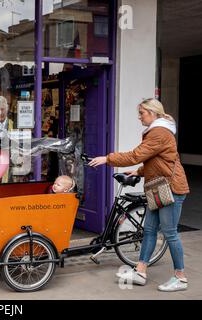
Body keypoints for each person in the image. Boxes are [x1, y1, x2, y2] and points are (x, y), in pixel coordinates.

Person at [88, 98, 190, 292]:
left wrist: (107, 158)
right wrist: (139, 172)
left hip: (171, 188)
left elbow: (136, 155)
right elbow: (159, 159)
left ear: (153, 113)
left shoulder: (159, 132)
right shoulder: (157, 131)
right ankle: (141, 271)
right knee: (150, 230)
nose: (139, 116)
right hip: (157, 187)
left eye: (142, 113)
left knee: (170, 234)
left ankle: (180, 277)